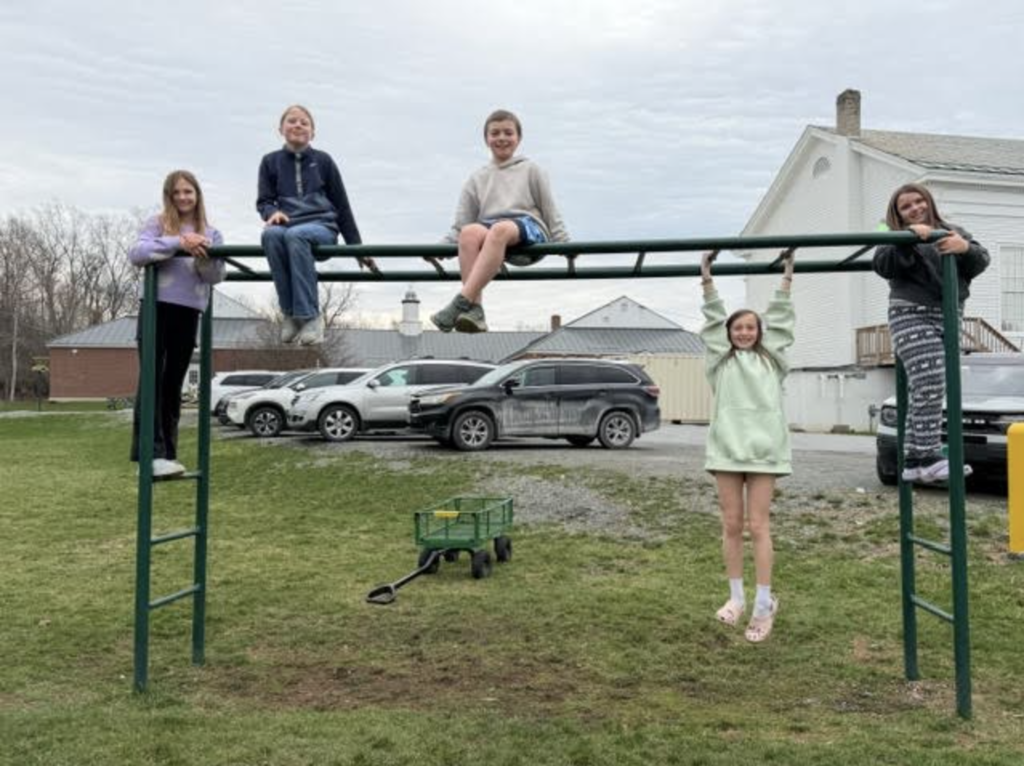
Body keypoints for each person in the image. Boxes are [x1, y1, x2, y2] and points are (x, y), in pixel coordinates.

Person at [700, 250, 795, 643]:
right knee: (731, 525)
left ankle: (763, 603)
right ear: (728, 333)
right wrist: (706, 276)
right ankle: (736, 597)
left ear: (759, 332)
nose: (743, 332)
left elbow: (783, 317)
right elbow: (711, 316)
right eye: (737, 327)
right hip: (726, 448)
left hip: (764, 451)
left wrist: (787, 275)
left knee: (758, 526)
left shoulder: (773, 360)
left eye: (750, 328)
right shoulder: (718, 362)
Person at [872, 183, 990, 483]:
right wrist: (907, 241)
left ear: (929, 202)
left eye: (918, 201)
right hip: (911, 313)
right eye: (906, 207)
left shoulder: (952, 231)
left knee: (929, 384)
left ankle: (913, 460)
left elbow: (981, 259)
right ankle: (927, 455)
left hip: (949, 316)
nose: (915, 209)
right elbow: (883, 265)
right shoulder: (894, 236)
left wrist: (965, 248)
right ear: (898, 215)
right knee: (930, 379)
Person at [431, 109, 570, 333]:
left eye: (508, 133)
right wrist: (441, 249)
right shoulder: (477, 178)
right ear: (486, 139)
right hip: (494, 238)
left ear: (518, 138)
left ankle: (460, 302)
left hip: (529, 230)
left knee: (500, 229)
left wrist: (564, 242)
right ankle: (475, 310)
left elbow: (549, 208)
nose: (502, 138)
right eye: (495, 133)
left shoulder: (531, 170)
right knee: (470, 232)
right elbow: (460, 226)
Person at [128, 170, 225, 478]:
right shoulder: (158, 224)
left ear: (197, 195)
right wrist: (179, 242)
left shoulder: (212, 232)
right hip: (157, 307)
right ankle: (150, 453)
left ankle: (168, 453)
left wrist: (203, 256)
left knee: (173, 383)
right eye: (177, 193)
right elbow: (138, 253)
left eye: (189, 192)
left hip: (189, 310)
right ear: (169, 197)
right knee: (152, 378)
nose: (183, 197)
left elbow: (215, 277)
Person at [257, 104, 367, 345]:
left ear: (312, 133)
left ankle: (310, 316)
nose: (298, 125)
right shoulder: (270, 162)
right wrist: (272, 212)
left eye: (304, 122)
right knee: (270, 236)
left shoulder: (323, 161)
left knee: (296, 235)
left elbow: (342, 204)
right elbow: (264, 200)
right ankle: (290, 314)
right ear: (281, 129)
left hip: (321, 228)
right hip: (286, 227)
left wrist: (357, 248)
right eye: (292, 121)